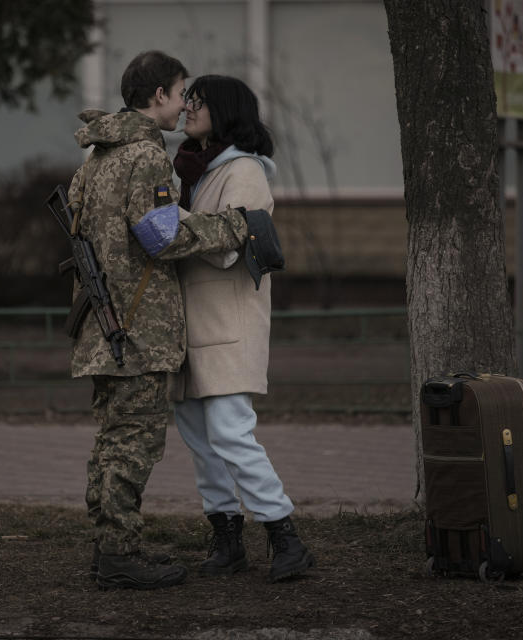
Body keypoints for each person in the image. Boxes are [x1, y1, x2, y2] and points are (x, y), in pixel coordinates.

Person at [67, 52, 249, 591]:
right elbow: (162, 236)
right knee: (133, 446)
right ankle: (120, 557)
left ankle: (110, 548)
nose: (184, 103)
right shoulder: (146, 156)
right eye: (180, 91)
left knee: (111, 444)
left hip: (102, 328)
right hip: (137, 332)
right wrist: (232, 229)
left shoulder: (96, 158)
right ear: (158, 96)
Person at [171, 75, 315, 582]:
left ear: (225, 110)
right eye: (185, 98)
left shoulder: (244, 171)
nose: (186, 107)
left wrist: (168, 226)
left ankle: (285, 537)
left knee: (232, 435)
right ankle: (227, 539)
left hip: (228, 326)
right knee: (200, 440)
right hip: (189, 328)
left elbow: (232, 244)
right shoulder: (193, 170)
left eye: (197, 101)